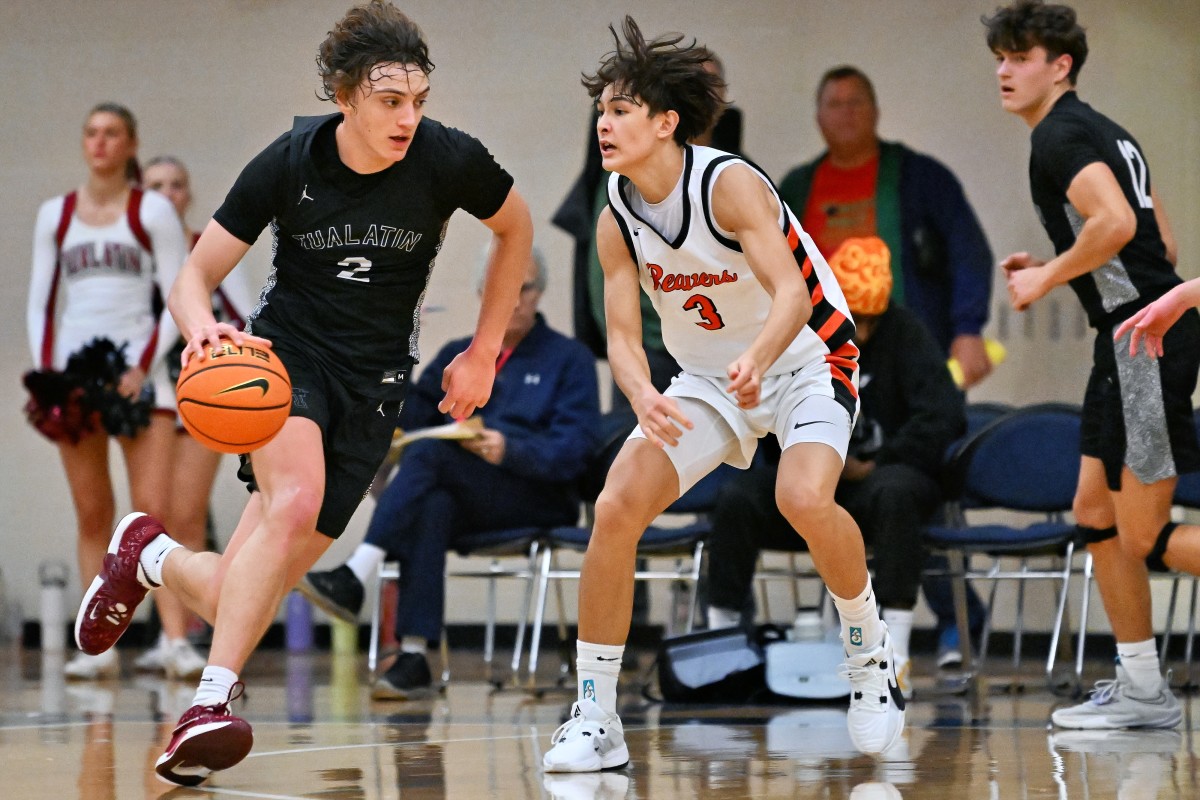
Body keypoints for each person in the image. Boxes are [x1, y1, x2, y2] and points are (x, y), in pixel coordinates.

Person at [71, 1, 533, 786]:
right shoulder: (289, 161)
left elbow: (515, 229)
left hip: (377, 380)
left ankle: (149, 554)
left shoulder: (448, 158)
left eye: (418, 100)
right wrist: (201, 330)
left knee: (238, 593)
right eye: (391, 101)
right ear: (344, 95)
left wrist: (485, 351)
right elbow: (194, 276)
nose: (408, 117)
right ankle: (209, 703)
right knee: (294, 502)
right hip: (288, 359)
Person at [542, 18, 905, 774]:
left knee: (803, 498)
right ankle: (597, 715)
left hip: (805, 358)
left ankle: (871, 658)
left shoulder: (727, 183)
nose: (603, 124)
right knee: (616, 507)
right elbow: (620, 333)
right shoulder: (616, 213)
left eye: (620, 111)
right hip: (710, 380)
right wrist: (640, 392)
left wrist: (760, 358)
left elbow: (793, 298)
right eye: (600, 111)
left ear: (665, 122)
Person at [984, 0, 1200, 729]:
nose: (1005, 71)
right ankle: (1142, 688)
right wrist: (1062, 266)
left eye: (1021, 57)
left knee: (1146, 535)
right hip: (1128, 336)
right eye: (1001, 58)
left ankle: (1145, 691)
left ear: (1061, 65)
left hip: (1144, 341)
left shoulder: (1059, 137)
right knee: (1094, 512)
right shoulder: (1100, 130)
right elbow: (1158, 247)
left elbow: (1118, 225)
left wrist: (1046, 279)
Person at [300, 247, 601, 699]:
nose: (515, 299)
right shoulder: (457, 355)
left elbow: (578, 450)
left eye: (526, 288)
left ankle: (356, 573)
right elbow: (412, 422)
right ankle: (416, 655)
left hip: (540, 495)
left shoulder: (569, 359)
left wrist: (511, 450)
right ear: (484, 293)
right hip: (467, 496)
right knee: (432, 498)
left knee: (432, 461)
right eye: (504, 289)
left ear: (541, 294)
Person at [778, 64, 994, 662]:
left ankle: (956, 626)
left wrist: (969, 330)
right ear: (818, 117)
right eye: (833, 104)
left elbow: (969, 253)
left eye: (856, 103)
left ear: (875, 112)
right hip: (822, 358)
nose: (845, 114)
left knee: (911, 487)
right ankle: (840, 634)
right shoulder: (796, 186)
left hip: (908, 357)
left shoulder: (921, 178)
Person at [705, 236, 966, 699]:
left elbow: (943, 417)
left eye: (870, 322)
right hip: (814, 480)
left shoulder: (908, 335)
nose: (861, 332)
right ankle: (720, 643)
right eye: (855, 320)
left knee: (896, 493)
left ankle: (897, 652)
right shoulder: (805, 333)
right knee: (737, 497)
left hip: (881, 479)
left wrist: (877, 461)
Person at [25, 102, 191, 681]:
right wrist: (50, 377)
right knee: (92, 512)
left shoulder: (153, 211)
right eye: (91, 132)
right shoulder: (57, 214)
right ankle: (98, 647)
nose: (99, 143)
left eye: (111, 133)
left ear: (130, 143)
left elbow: (179, 292)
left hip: (141, 379)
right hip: (77, 382)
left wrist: (143, 366)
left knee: (152, 517)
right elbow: (42, 302)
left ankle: (174, 640)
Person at [133, 155, 254, 679]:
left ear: (189, 193)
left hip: (204, 390)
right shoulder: (132, 256)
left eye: (177, 185)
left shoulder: (213, 245)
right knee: (151, 510)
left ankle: (191, 638)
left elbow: (248, 313)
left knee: (187, 513)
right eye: (156, 185)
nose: (167, 194)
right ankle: (170, 634)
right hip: (147, 393)